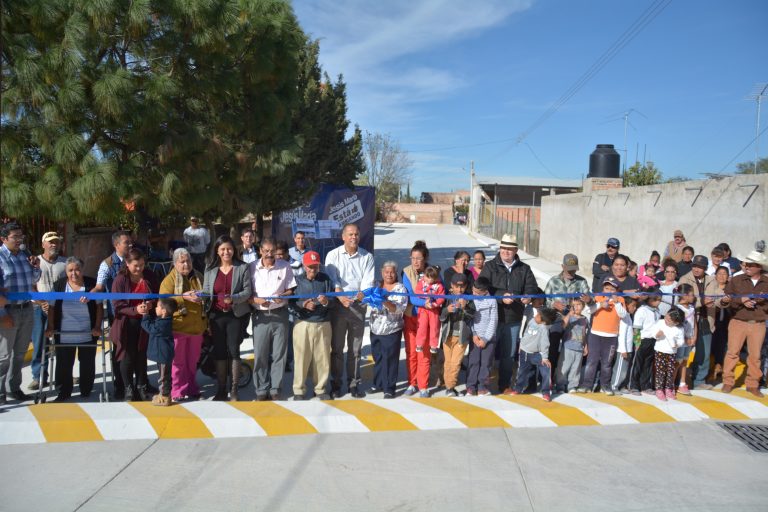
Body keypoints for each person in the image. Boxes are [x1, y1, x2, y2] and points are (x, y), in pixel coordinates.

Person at [479, 234, 537, 395]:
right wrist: (500, 295)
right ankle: (482, 385)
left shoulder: (524, 269)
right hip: (492, 318)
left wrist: (528, 296)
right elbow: (483, 287)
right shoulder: (490, 266)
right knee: (488, 353)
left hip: (513, 319)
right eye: (503, 248)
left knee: (509, 355)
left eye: (509, 249)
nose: (506, 251)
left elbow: (532, 287)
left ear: (516, 250)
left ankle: (504, 385)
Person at [325, 223, 375, 399]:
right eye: (350, 234)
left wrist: (361, 295)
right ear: (343, 237)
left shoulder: (367, 256)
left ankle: (354, 384)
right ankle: (336, 384)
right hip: (338, 307)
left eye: (356, 234)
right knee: (337, 349)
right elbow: (332, 279)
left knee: (355, 349)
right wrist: (340, 296)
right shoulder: (333, 255)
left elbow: (368, 281)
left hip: (358, 307)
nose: (354, 237)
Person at [44, 257, 102, 402]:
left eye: (77, 270)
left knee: (87, 363)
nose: (74, 273)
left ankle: (86, 390)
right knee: (64, 364)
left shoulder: (92, 284)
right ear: (66, 271)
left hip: (87, 332)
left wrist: (97, 327)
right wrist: (51, 327)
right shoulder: (59, 285)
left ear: (82, 270)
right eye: (70, 270)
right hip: (64, 332)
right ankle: (63, 391)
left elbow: (99, 307)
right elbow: (51, 307)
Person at [202, 235, 252, 401]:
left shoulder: (242, 267)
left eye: (229, 249)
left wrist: (234, 298)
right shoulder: (210, 269)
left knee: (234, 351)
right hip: (216, 316)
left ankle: (234, 389)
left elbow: (247, 291)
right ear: (217, 251)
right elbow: (206, 292)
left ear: (234, 250)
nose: (226, 252)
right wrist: (198, 296)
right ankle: (221, 389)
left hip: (235, 315)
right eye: (222, 249)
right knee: (220, 352)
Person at [249, 237, 296, 401]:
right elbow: (247, 293)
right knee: (260, 354)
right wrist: (255, 300)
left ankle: (275, 388)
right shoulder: (252, 267)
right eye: (266, 251)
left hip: (280, 314)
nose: (270, 254)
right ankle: (261, 389)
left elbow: (291, 290)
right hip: (260, 316)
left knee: (279, 355)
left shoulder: (285, 266)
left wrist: (282, 295)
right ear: (260, 251)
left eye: (272, 251)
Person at [111, 249, 161, 401]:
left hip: (145, 321)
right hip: (126, 323)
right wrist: (135, 310)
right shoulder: (120, 280)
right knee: (127, 356)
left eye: (141, 265)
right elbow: (117, 305)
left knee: (141, 355)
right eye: (135, 265)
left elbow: (158, 295)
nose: (139, 268)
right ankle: (128, 387)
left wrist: (151, 304)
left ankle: (141, 386)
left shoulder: (150, 275)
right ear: (127, 263)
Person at [0, 221, 41, 405]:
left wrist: (36, 266)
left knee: (20, 353)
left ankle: (14, 388)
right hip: (8, 311)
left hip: (26, 309)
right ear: (3, 239)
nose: (19, 240)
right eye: (15, 237)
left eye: (20, 236)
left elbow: (34, 280)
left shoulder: (25, 255)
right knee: (4, 355)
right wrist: (3, 314)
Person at [159, 248, 206, 401]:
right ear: (175, 264)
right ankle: (177, 390)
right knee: (178, 363)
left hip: (196, 327)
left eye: (188, 261)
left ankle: (192, 388)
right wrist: (182, 297)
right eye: (182, 262)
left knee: (192, 362)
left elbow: (207, 295)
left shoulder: (198, 276)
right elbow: (163, 301)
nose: (186, 264)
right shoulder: (169, 280)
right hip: (178, 328)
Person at [92, 229, 133, 399]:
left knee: (138, 350)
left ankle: (140, 383)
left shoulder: (135, 259)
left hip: (137, 312)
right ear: (116, 245)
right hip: (118, 315)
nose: (130, 245)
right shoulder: (107, 264)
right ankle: (120, 385)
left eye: (130, 242)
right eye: (126, 242)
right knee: (119, 352)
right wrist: (88, 295)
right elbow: (99, 286)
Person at [722, 250, 768, 397]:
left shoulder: (767, 282)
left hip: (758, 323)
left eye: (750, 264)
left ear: (758, 267)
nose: (746, 266)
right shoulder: (736, 280)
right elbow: (726, 299)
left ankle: (753, 384)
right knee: (732, 353)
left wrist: (761, 302)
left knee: (755, 356)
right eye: (746, 264)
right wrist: (741, 300)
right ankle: (728, 381)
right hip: (738, 321)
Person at [289, 251, 333, 400]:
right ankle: (299, 390)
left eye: (315, 266)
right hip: (303, 323)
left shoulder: (326, 279)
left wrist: (326, 302)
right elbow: (290, 302)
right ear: (304, 266)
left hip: (323, 322)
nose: (313, 269)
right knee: (301, 357)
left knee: (322, 358)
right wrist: (303, 304)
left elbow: (334, 300)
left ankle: (320, 389)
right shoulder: (296, 280)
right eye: (310, 266)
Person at [29, 231, 67, 391]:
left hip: (60, 308)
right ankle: (38, 377)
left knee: (62, 343)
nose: (53, 244)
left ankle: (63, 375)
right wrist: (42, 302)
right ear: (43, 244)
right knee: (39, 343)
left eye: (56, 242)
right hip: (39, 308)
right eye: (50, 241)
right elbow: (30, 286)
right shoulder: (34, 262)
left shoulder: (65, 263)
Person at [577, 276, 626, 395]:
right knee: (591, 361)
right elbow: (589, 310)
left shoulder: (620, 299)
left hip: (611, 336)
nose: (609, 291)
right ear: (603, 288)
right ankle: (587, 385)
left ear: (617, 290)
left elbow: (623, 315)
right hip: (595, 335)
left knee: (606, 363)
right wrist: (600, 305)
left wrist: (617, 303)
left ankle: (605, 386)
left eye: (612, 289)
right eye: (607, 288)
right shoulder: (598, 297)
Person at [678, 254, 719, 390]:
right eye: (694, 266)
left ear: (705, 268)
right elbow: (682, 299)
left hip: (707, 320)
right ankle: (677, 380)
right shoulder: (684, 279)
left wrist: (723, 301)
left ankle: (699, 381)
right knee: (682, 352)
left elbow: (718, 297)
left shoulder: (712, 280)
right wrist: (702, 302)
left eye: (700, 267)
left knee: (704, 353)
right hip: (688, 322)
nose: (696, 269)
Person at [369, 261, 408, 399]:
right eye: (386, 272)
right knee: (378, 357)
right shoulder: (376, 285)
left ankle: (389, 388)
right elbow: (367, 299)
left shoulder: (400, 289)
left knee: (390, 359)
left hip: (391, 330)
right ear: (382, 273)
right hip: (375, 329)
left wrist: (384, 300)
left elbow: (398, 309)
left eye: (392, 272)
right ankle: (378, 383)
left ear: (396, 273)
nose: (389, 275)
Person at [401, 241, 431, 397]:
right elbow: (411, 297)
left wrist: (430, 302)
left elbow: (439, 292)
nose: (415, 262)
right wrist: (424, 303)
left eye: (418, 258)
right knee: (412, 352)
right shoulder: (406, 272)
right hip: (411, 318)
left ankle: (423, 385)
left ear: (425, 258)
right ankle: (412, 383)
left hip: (427, 319)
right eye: (413, 258)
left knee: (424, 353)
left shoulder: (433, 272)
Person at [507, 307, 557, 401]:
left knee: (546, 370)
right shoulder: (531, 321)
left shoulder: (544, 329)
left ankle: (546, 392)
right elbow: (525, 333)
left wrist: (545, 358)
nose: (535, 315)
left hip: (537, 354)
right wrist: (521, 345)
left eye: (538, 315)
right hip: (524, 353)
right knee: (522, 372)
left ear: (543, 321)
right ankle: (518, 389)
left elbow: (545, 344)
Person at [439, 273, 475, 397]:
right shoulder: (447, 297)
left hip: (461, 336)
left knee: (456, 363)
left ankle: (450, 387)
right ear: (451, 286)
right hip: (447, 335)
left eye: (462, 286)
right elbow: (441, 317)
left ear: (466, 286)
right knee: (448, 363)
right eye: (456, 286)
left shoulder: (469, 298)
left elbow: (473, 316)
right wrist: (446, 310)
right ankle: (449, 387)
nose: (459, 289)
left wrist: (465, 308)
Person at [142, 298, 178, 406]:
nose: (156, 308)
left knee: (163, 378)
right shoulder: (163, 320)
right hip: (162, 354)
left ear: (164, 311)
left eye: (158, 307)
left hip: (163, 355)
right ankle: (163, 394)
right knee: (163, 376)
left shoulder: (163, 324)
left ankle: (165, 396)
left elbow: (150, 328)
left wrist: (145, 315)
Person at [466, 277, 498, 396]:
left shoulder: (492, 301)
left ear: (485, 291)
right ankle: (471, 387)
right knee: (473, 362)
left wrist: (485, 339)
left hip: (488, 338)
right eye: (473, 290)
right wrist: (474, 334)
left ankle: (482, 387)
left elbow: (493, 321)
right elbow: (470, 319)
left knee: (486, 363)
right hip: (475, 337)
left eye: (477, 293)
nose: (474, 294)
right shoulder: (471, 299)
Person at [629, 295, 663, 395]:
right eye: (656, 299)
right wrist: (637, 342)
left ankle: (645, 386)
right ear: (649, 299)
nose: (658, 302)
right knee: (637, 364)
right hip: (642, 340)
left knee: (648, 364)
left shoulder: (657, 311)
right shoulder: (642, 310)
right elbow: (636, 328)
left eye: (660, 300)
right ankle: (633, 386)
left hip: (653, 340)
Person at [555, 298, 589, 394]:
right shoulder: (569, 317)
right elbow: (563, 325)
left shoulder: (584, 319)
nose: (576, 307)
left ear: (583, 306)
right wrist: (569, 314)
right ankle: (560, 386)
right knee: (564, 367)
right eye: (574, 305)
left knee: (576, 369)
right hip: (567, 347)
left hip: (579, 348)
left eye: (579, 304)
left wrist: (585, 345)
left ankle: (572, 386)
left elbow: (584, 333)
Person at [652, 309, 686, 401]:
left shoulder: (679, 329)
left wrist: (677, 344)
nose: (666, 320)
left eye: (669, 320)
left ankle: (668, 389)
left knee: (670, 371)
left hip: (672, 353)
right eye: (666, 318)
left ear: (676, 323)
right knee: (660, 371)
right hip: (660, 351)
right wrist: (657, 335)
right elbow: (653, 333)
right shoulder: (660, 323)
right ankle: (659, 389)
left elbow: (681, 341)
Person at [674, 284, 697, 397]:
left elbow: (695, 323)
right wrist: (685, 338)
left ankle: (682, 383)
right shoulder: (678, 309)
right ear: (684, 295)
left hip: (690, 340)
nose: (693, 297)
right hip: (681, 340)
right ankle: (671, 384)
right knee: (677, 362)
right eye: (692, 294)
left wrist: (694, 336)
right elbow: (678, 326)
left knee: (684, 361)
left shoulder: (692, 308)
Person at [416, 266, 445, 356]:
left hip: (434, 309)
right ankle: (419, 343)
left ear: (435, 278)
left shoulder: (439, 285)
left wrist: (435, 304)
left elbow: (442, 297)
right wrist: (426, 297)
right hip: (424, 308)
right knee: (422, 326)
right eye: (426, 276)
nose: (428, 279)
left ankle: (433, 345)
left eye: (431, 278)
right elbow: (417, 291)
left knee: (434, 327)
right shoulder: (421, 282)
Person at [611, 297, 638, 394]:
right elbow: (621, 335)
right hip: (623, 350)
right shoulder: (624, 318)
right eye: (633, 306)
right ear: (626, 306)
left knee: (624, 370)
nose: (635, 308)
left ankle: (621, 386)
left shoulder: (628, 317)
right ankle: (614, 386)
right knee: (619, 370)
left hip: (628, 349)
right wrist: (623, 350)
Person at [710, 266, 732, 381]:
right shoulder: (711, 287)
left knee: (722, 345)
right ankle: (712, 368)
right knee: (711, 344)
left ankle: (719, 366)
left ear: (728, 276)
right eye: (719, 273)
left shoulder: (731, 289)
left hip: (726, 321)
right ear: (715, 275)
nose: (722, 276)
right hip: (712, 320)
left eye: (724, 274)